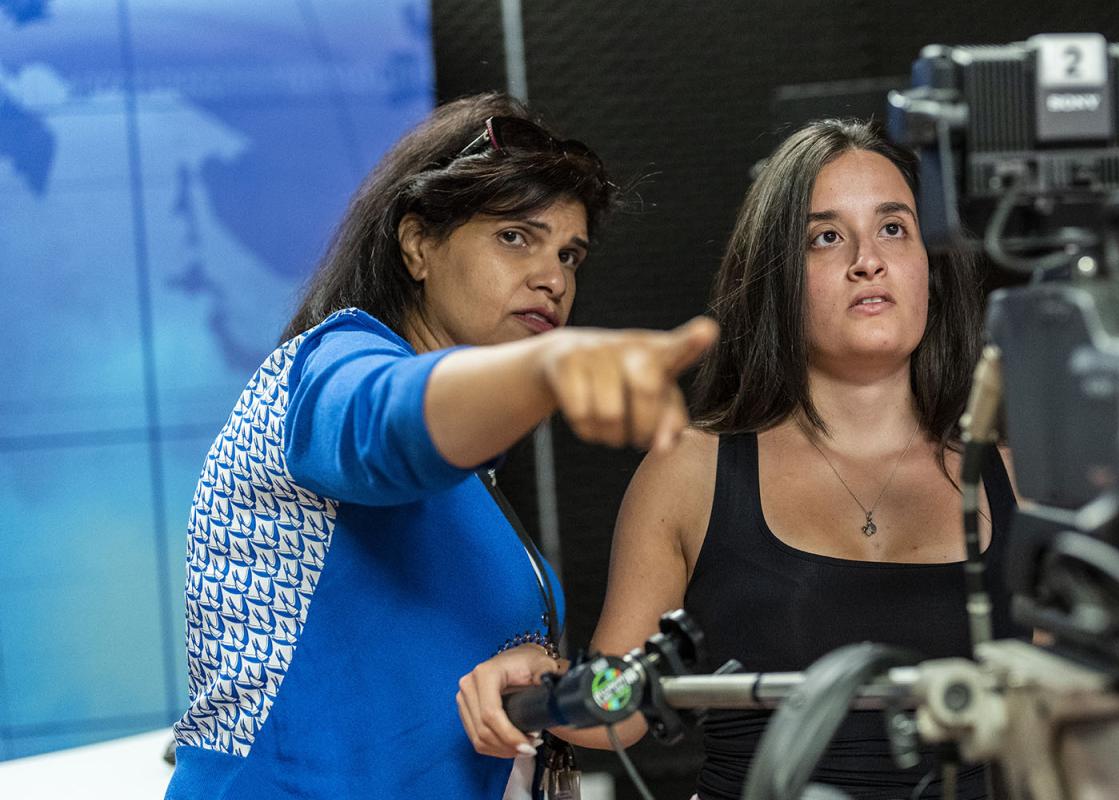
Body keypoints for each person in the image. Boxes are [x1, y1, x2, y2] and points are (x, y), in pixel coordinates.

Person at [165, 91, 717, 800]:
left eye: (570, 254)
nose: (553, 278)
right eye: (516, 236)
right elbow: (384, 423)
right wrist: (548, 368)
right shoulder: (330, 366)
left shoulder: (471, 482)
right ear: (418, 244)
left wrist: (552, 685)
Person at [459, 120, 1023, 799]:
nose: (867, 260)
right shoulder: (691, 473)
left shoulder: (1016, 478)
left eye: (894, 228)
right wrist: (543, 685)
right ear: (779, 275)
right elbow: (619, 703)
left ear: (932, 260)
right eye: (827, 237)